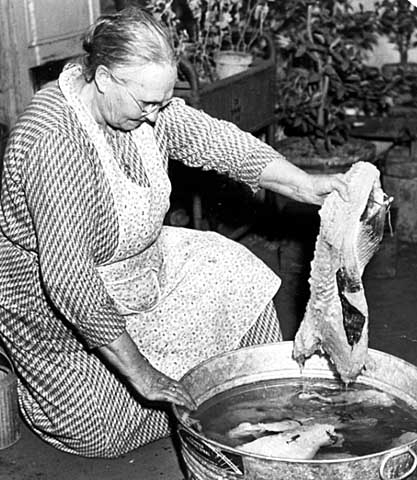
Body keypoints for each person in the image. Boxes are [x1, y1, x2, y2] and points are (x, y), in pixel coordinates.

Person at [0, 7, 347, 458]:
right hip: (49, 296)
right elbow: (71, 282)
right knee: (99, 433)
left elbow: (216, 140)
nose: (154, 115)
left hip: (138, 260)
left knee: (239, 275)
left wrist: (306, 185)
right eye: (146, 104)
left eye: (161, 103)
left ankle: (236, 397)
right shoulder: (52, 141)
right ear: (103, 78)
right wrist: (143, 376)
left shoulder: (143, 103)